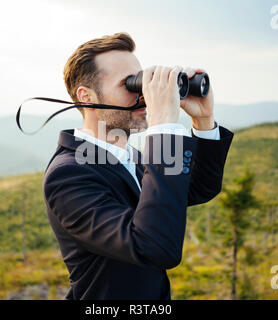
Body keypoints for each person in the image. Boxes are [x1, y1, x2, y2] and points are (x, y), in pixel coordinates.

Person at [42, 32, 233, 300]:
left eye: (141, 81)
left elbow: (199, 188)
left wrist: (204, 120)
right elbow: (153, 246)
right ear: (86, 97)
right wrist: (163, 126)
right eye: (130, 84)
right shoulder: (69, 174)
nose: (143, 95)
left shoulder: (128, 155)